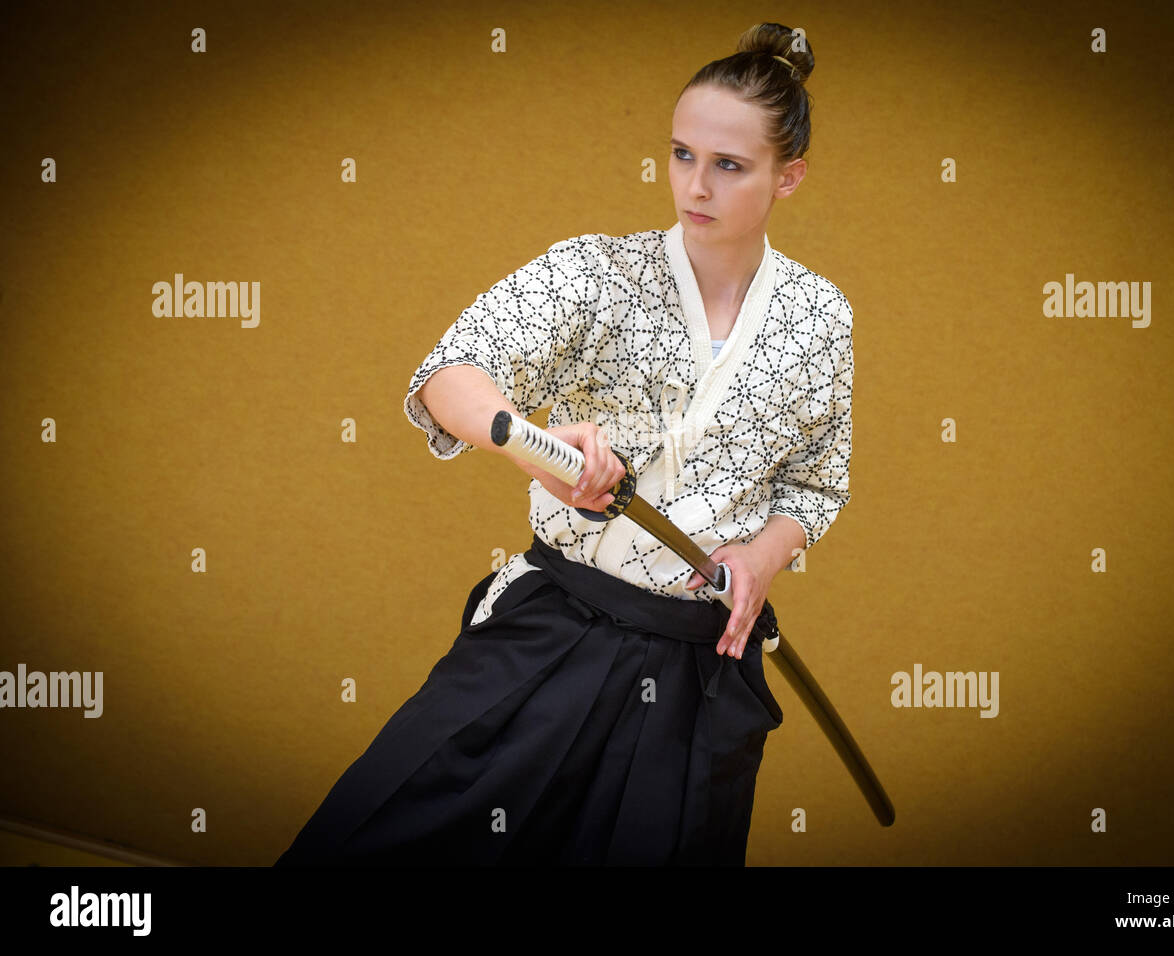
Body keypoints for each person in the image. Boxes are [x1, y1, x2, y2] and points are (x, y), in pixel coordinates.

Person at [275, 21, 853, 867]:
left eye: (729, 165)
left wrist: (761, 559)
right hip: (554, 631)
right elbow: (451, 376)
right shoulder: (594, 272)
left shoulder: (821, 317)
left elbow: (814, 486)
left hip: (699, 668)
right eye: (682, 154)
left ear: (787, 177)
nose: (696, 185)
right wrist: (536, 446)